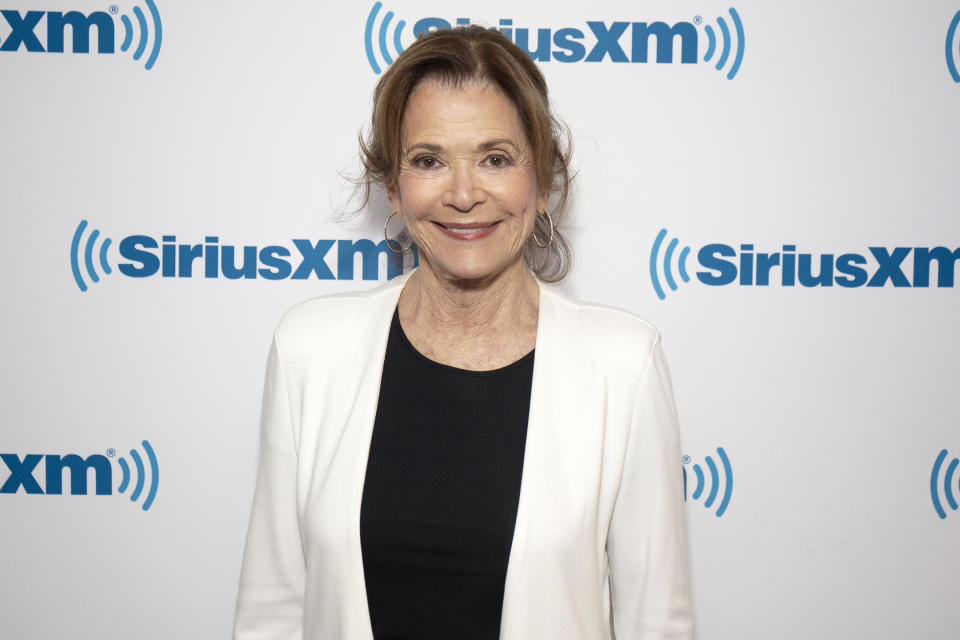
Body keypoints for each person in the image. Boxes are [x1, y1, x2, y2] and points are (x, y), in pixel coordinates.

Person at [234, 25, 693, 640]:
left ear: (544, 183)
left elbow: (655, 623)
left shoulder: (623, 367)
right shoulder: (309, 351)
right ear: (393, 189)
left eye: (495, 159)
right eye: (429, 161)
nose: (463, 194)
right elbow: (273, 610)